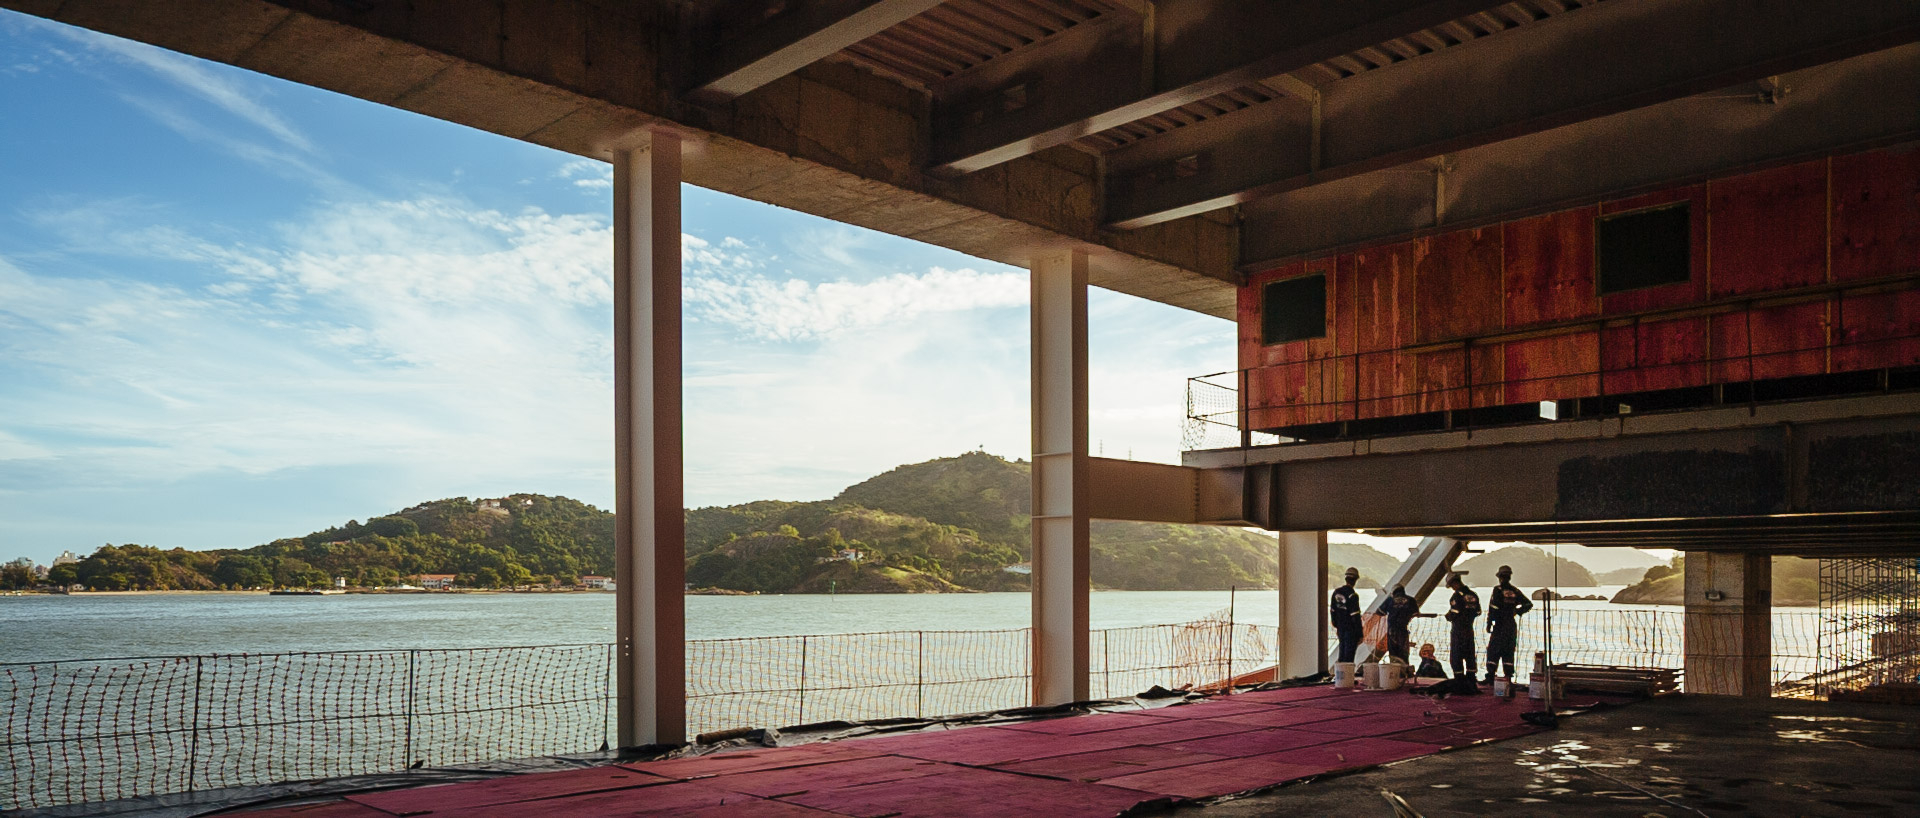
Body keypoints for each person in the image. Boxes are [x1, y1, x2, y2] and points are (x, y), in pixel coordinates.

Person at [1485, 564, 1533, 682]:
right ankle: (1508, 676)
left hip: (1500, 624)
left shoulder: (1498, 590)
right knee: (1508, 650)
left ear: (1500, 577)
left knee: (1494, 650)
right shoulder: (1515, 591)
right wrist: (1517, 611)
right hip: (1511, 625)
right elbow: (1528, 604)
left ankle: (1491, 675)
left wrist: (1489, 622)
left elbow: (1493, 608)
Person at [1443, 572, 1482, 681]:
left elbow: (1455, 612)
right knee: (1470, 655)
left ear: (1454, 583)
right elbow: (1478, 612)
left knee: (1456, 656)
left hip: (1458, 630)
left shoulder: (1456, 596)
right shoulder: (1473, 595)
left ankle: (1459, 681)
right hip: (1469, 629)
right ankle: (1471, 680)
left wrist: (1448, 616)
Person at [1330, 567, 1363, 663]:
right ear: (1356, 580)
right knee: (1349, 656)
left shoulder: (1336, 592)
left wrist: (1337, 625)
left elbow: (1333, 611)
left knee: (1342, 653)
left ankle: (1341, 675)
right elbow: (1355, 617)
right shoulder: (1353, 595)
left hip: (1341, 628)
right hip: (1351, 630)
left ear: (1346, 578)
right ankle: (1346, 676)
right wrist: (1359, 634)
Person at [1381, 584, 1421, 663]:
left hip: (1391, 631)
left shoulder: (1390, 600)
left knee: (1393, 654)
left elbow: (1380, 612)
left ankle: (1394, 670)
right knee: (1404, 653)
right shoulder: (1411, 600)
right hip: (1403, 630)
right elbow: (1416, 613)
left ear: (1394, 592)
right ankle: (1404, 671)